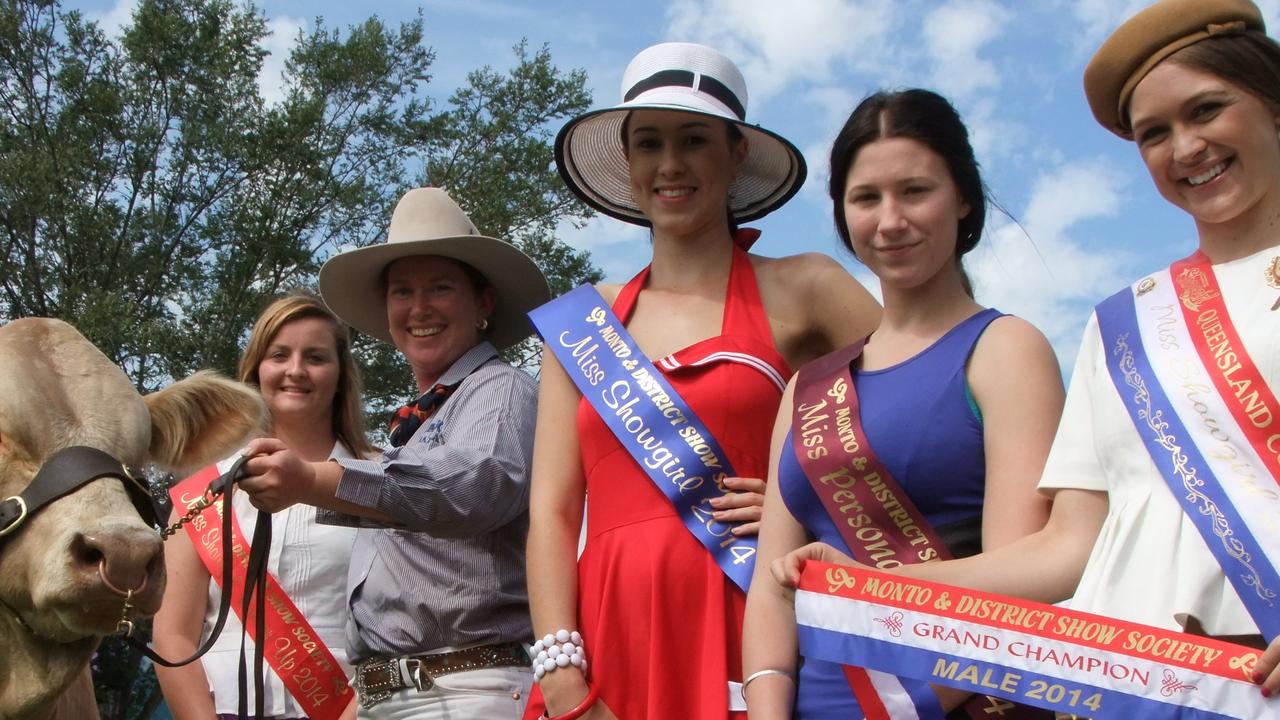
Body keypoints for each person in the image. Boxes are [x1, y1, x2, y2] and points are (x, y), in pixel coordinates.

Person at [772, 0, 1280, 701]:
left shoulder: (1012, 347)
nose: (1186, 147)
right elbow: (1066, 550)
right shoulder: (1124, 325)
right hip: (1143, 691)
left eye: (1207, 110)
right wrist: (863, 588)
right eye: (1154, 132)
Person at [525, 43, 883, 720]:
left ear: (736, 153)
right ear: (628, 161)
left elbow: (919, 407)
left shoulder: (806, 287)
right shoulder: (582, 321)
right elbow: (551, 510)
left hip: (752, 619)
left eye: (694, 140)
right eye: (649, 143)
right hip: (607, 637)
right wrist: (563, 674)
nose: (669, 164)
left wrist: (803, 507)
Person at [740, 89, 1064, 718]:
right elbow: (772, 589)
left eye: (915, 191)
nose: (890, 220)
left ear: (963, 197)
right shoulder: (807, 389)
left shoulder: (1006, 350)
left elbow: (1014, 594)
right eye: (866, 198)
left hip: (960, 702)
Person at [236, 187, 550, 718]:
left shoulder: (499, 386)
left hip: (468, 688)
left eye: (440, 288)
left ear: (484, 303)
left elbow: (475, 487)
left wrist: (313, 480)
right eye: (402, 291)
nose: (419, 308)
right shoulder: (416, 424)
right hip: (401, 694)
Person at [154, 292, 377, 720]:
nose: (296, 370)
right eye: (279, 355)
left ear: (340, 374)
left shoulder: (380, 481)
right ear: (257, 367)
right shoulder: (202, 492)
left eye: (315, 357)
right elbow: (173, 636)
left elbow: (402, 628)